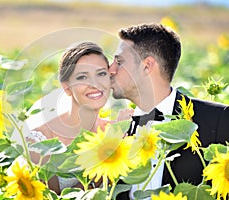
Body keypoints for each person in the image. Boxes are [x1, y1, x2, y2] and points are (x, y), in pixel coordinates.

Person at [108, 23, 229, 199]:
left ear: (147, 66)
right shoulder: (119, 128)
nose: (110, 70)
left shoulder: (219, 120)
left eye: (119, 62)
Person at [13, 41, 132, 194]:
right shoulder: (39, 140)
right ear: (67, 87)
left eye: (101, 74)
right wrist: (112, 144)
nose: (95, 84)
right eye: (82, 77)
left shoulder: (118, 129)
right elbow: (58, 197)